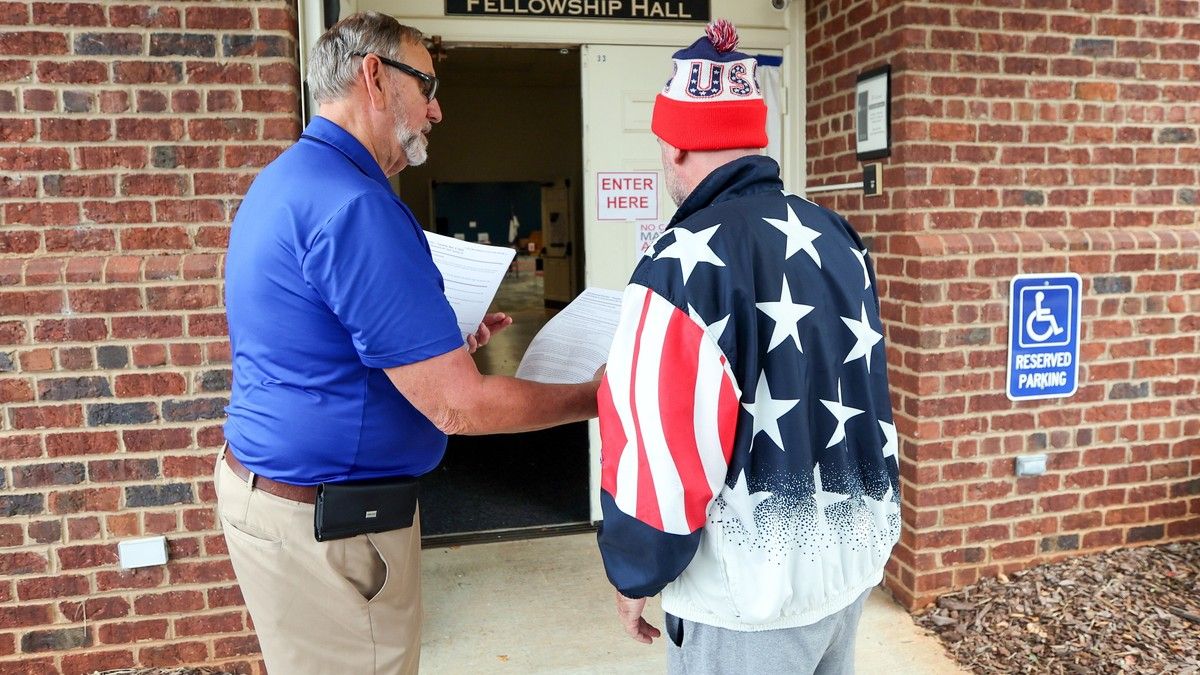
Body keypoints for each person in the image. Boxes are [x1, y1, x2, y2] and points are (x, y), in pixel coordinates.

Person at [216, 12, 599, 675]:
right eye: (426, 84)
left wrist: (441, 342)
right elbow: (459, 407)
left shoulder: (289, 180)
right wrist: (600, 396)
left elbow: (326, 340)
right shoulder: (356, 206)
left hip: (282, 504)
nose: (437, 109)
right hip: (332, 530)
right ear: (373, 75)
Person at [595, 20, 901, 673]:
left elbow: (663, 452)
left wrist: (635, 570)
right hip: (844, 572)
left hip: (745, 598)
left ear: (677, 146)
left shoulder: (680, 264)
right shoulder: (838, 238)